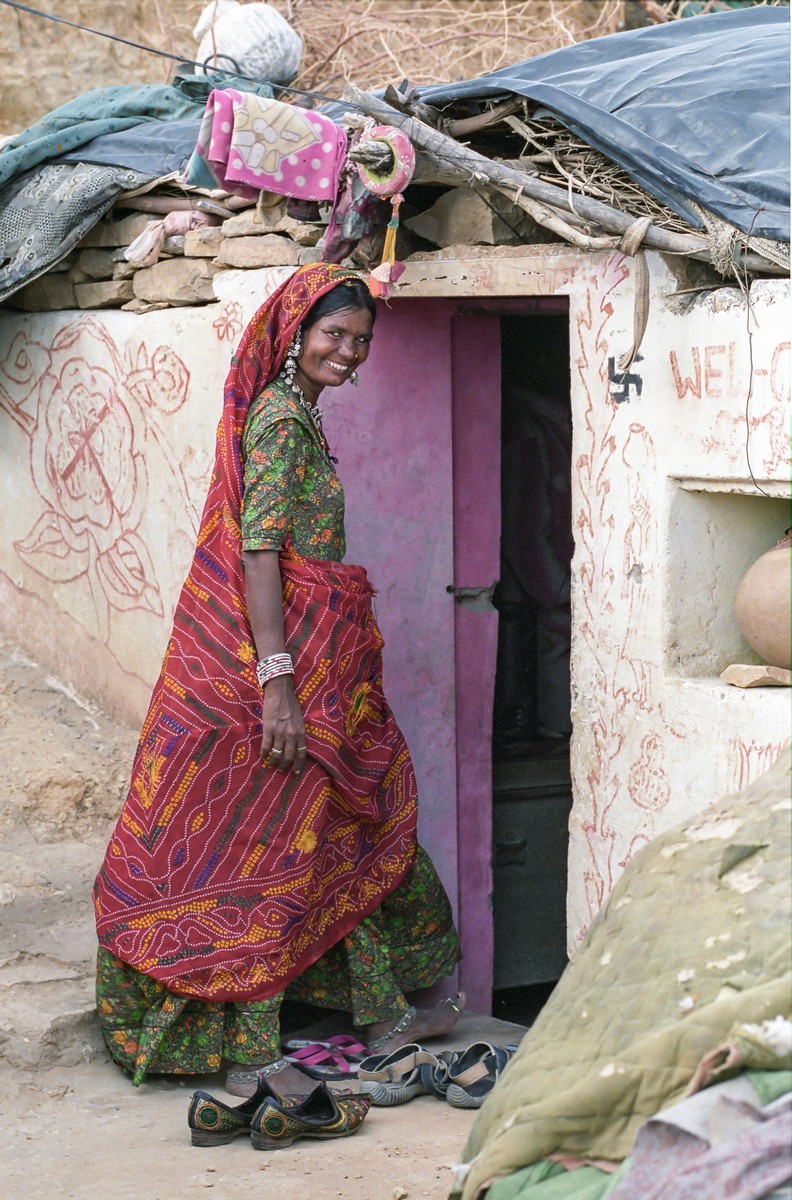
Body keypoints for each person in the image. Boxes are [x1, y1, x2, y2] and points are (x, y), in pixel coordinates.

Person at [94, 263, 463, 1097]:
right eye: (335, 335)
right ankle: (256, 1050)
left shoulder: (301, 415)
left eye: (361, 341)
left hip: (316, 673)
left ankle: (384, 1017)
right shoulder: (277, 424)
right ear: (294, 335)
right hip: (272, 680)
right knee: (261, 854)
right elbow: (259, 552)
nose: (349, 352)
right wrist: (278, 683)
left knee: (330, 836)